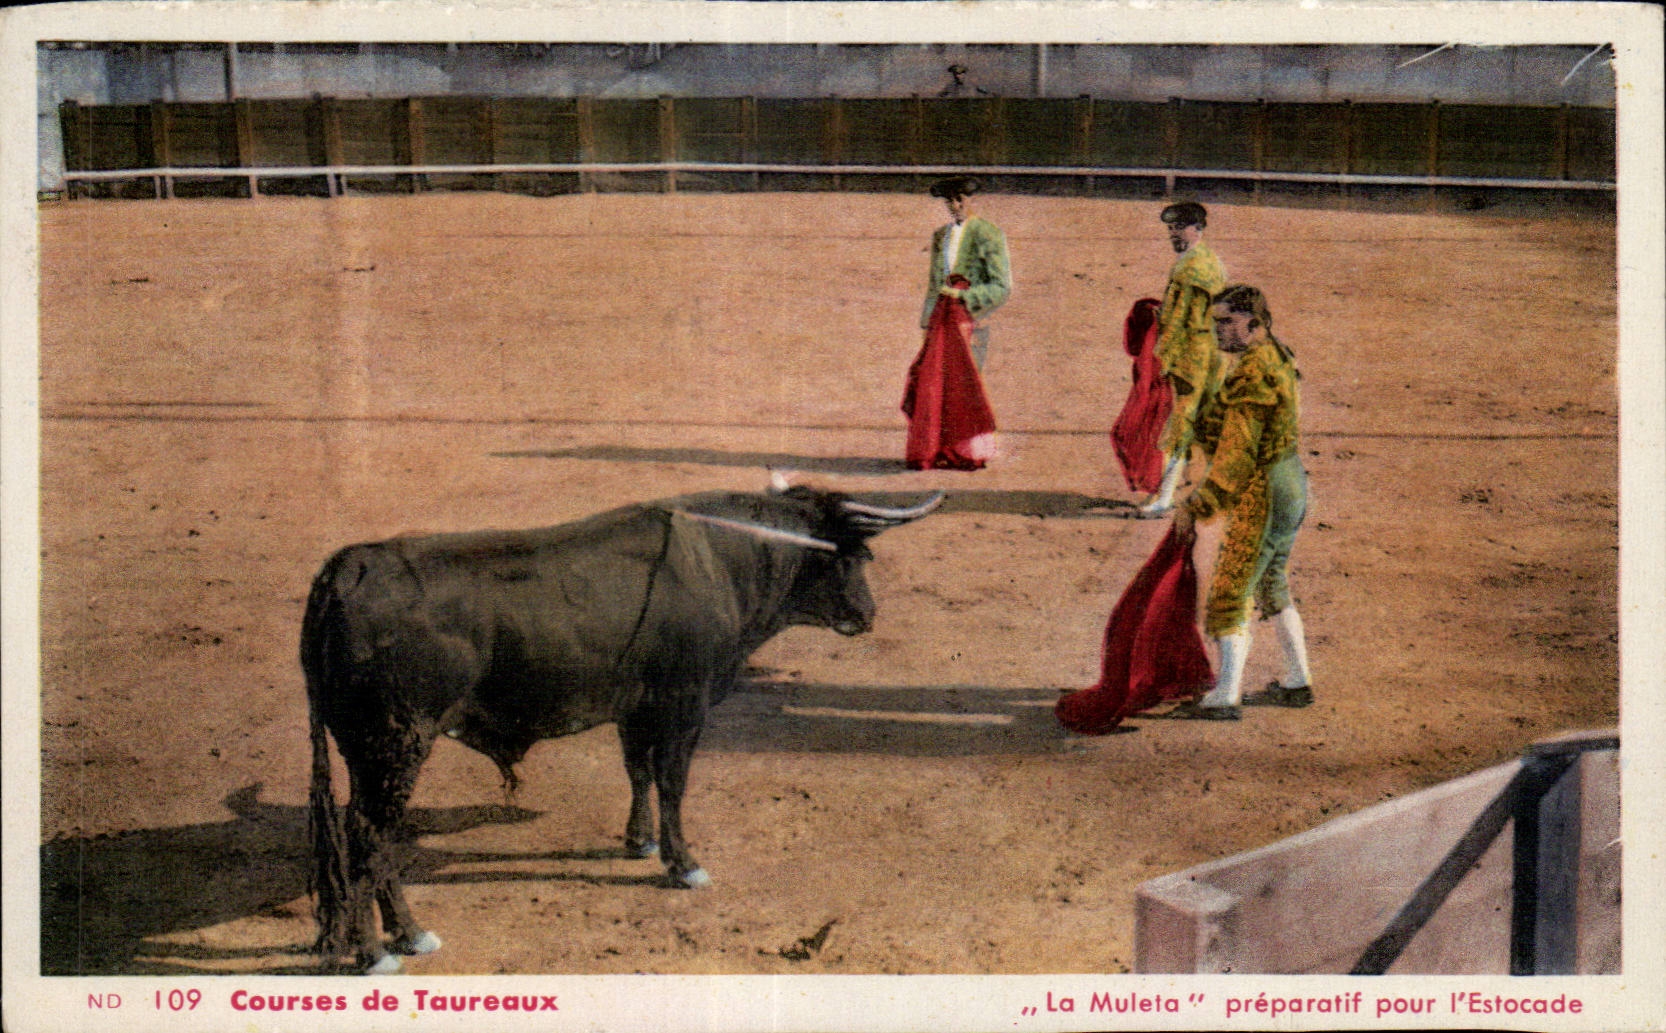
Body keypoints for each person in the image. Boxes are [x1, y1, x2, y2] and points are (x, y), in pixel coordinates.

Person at [1167, 285, 1313, 720]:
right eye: (1214, 322)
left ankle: (1225, 696)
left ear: (1254, 324)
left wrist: (1196, 505)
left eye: (1226, 322)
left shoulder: (1252, 373)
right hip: (1291, 481)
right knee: (1272, 582)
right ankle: (1296, 680)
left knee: (1233, 584)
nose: (1218, 331)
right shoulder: (1273, 355)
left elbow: (1236, 457)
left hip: (1264, 487)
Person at [1138, 201, 1226, 517]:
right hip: (1206, 352)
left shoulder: (1193, 268)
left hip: (1193, 355)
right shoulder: (1205, 261)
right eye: (1170, 228)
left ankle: (1165, 497)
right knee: (1199, 421)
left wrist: (1162, 352)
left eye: (1179, 227)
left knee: (1183, 422)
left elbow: (1180, 320)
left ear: (1198, 229)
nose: (1173, 234)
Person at [920, 176, 1011, 371]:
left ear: (973, 200)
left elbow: (1001, 287)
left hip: (972, 319)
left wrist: (965, 298)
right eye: (949, 201)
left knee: (966, 387)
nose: (955, 205)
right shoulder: (941, 235)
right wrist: (927, 323)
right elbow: (934, 284)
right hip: (941, 322)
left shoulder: (988, 233)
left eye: (960, 199)